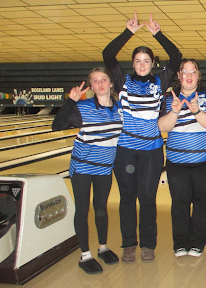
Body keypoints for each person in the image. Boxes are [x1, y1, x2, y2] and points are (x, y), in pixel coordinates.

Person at [102, 11, 181, 262]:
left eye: (147, 60)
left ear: (152, 63)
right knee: (127, 197)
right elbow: (107, 55)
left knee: (148, 198)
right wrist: (129, 32)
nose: (142, 64)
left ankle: (148, 244)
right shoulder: (122, 80)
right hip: (125, 148)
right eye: (138, 60)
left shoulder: (161, 80)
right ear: (133, 63)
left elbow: (176, 57)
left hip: (151, 151)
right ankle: (128, 245)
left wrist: (157, 34)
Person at [52, 67, 122, 274]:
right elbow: (56, 126)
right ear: (91, 86)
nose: (100, 84)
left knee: (101, 207)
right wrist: (71, 101)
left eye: (104, 80)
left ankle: (102, 247)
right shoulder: (82, 107)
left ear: (111, 83)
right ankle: (85, 255)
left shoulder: (119, 108)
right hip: (82, 166)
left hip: (105, 167)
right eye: (95, 81)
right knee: (82, 209)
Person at [158, 59, 206, 258]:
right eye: (184, 71)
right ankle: (180, 243)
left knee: (202, 201)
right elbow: (162, 127)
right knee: (180, 202)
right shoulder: (168, 98)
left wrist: (196, 111)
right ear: (178, 75)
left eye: (192, 71)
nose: (188, 75)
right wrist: (175, 111)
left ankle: (197, 243)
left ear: (198, 75)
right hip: (177, 162)